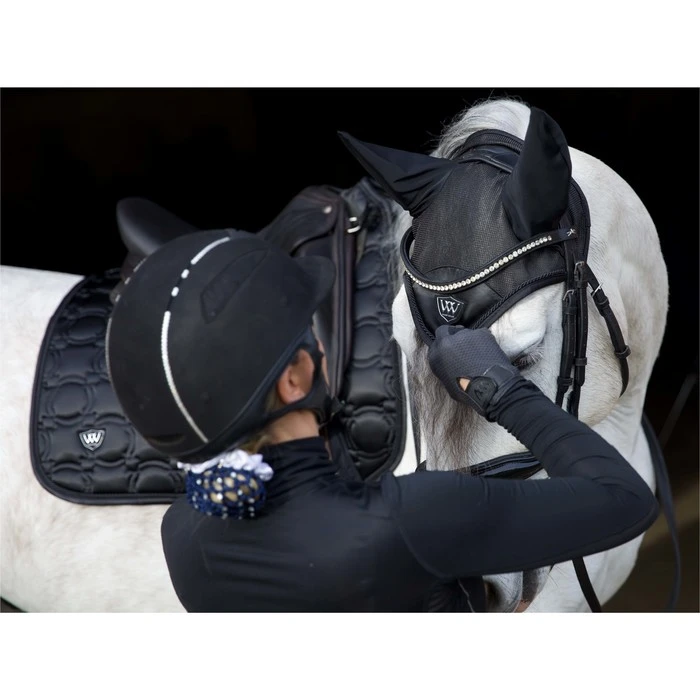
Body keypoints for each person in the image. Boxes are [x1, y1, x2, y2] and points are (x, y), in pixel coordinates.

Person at [106, 228, 658, 612]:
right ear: (295, 378)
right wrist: (501, 390)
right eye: (312, 332)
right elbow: (625, 498)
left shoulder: (183, 535)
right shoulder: (413, 519)